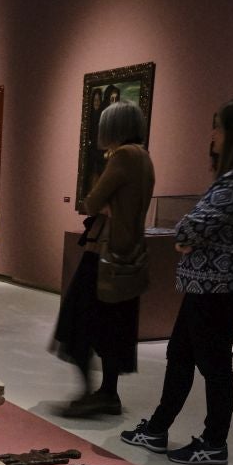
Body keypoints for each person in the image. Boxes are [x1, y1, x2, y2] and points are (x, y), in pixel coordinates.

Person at [121, 96, 233, 464]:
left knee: (212, 364)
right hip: (218, 284)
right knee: (182, 354)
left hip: (217, 285)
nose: (212, 134)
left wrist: (186, 239)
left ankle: (213, 442)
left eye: (218, 126)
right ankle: (159, 427)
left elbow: (189, 230)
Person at [52, 100, 155, 417]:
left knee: (77, 323)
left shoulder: (123, 156)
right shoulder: (145, 157)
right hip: (128, 253)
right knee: (115, 327)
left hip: (103, 255)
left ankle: (92, 393)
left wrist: (101, 201)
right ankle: (108, 392)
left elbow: (91, 201)